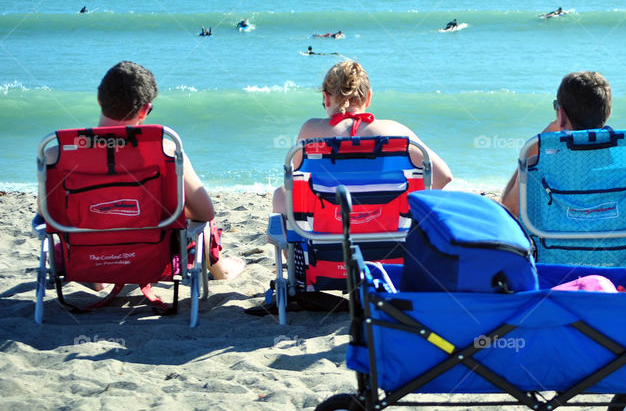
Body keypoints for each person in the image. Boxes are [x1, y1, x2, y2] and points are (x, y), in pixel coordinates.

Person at [86, 61, 245, 280]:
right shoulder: (166, 150)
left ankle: (98, 276)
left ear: (98, 99)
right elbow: (205, 212)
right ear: (145, 110)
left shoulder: (57, 153)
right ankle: (221, 270)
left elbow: (50, 215)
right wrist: (168, 209)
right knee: (201, 220)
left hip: (89, 253)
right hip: (150, 252)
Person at [272, 59, 453, 214]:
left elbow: (296, 185)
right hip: (390, 244)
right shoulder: (396, 130)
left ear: (326, 98)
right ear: (368, 98)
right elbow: (443, 176)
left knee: (281, 193)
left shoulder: (310, 130)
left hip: (325, 243)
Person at [500, 71, 612, 217]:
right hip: (623, 239)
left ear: (560, 113)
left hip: (555, 239)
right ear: (607, 114)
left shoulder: (541, 162)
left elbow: (510, 208)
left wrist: (536, 145)